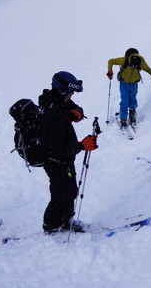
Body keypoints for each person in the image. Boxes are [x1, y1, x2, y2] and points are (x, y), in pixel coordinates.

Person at [37, 71, 98, 234]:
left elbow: (69, 106)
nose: (71, 96)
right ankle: (50, 227)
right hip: (55, 161)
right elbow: (57, 149)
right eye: (70, 93)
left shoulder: (57, 101)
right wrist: (81, 146)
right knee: (60, 195)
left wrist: (78, 111)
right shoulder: (53, 114)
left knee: (70, 191)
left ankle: (66, 221)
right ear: (63, 91)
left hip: (64, 160)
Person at [107, 48, 151, 127]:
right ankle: (132, 114)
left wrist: (110, 71)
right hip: (134, 84)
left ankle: (123, 118)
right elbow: (147, 69)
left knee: (124, 100)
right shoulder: (140, 60)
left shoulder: (125, 59)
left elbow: (111, 61)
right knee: (133, 98)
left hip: (124, 83)